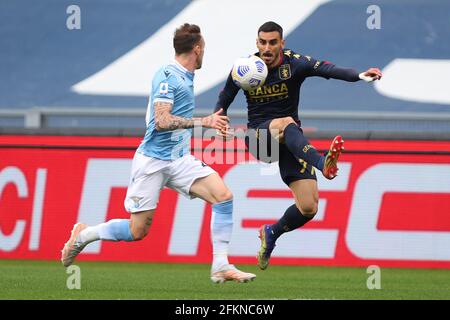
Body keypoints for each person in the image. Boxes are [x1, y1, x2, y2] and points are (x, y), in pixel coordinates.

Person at [61, 23, 256, 283]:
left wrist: (209, 124)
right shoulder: (168, 76)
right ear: (197, 49)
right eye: (204, 48)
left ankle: (220, 265)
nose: (204, 53)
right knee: (137, 231)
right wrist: (204, 122)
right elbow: (162, 120)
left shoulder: (186, 75)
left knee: (223, 196)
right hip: (153, 161)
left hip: (179, 159)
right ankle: (84, 235)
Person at [214, 21, 382, 270]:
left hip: (292, 141)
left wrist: (359, 76)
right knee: (286, 123)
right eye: (263, 42)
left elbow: (328, 69)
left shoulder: (295, 63)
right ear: (257, 43)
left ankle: (271, 233)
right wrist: (219, 119)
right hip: (260, 139)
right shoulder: (245, 67)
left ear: (282, 43)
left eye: (273, 42)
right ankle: (322, 162)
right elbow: (224, 98)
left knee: (309, 207)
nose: (267, 48)